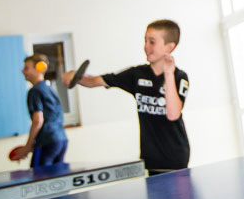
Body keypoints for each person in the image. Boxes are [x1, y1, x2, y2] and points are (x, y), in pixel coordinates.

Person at [63, 19, 190, 175]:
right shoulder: (136, 74)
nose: (146, 47)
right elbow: (96, 81)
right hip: (151, 159)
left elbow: (173, 114)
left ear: (169, 47)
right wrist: (76, 77)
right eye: (145, 41)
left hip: (175, 158)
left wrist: (168, 73)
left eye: (152, 42)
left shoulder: (179, 77)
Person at [13, 54, 68, 167]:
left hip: (46, 142)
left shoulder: (35, 91)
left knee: (38, 180)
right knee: (56, 179)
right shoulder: (49, 89)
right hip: (61, 140)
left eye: (26, 68)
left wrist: (28, 147)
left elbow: (38, 120)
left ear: (39, 69)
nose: (23, 71)